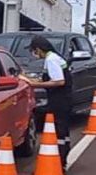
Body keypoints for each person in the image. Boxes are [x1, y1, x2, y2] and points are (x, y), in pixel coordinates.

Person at [18, 35, 72, 164]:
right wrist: (29, 78)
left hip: (60, 99)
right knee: (61, 129)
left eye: (33, 51)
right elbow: (48, 79)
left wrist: (34, 84)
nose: (34, 54)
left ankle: (60, 161)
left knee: (59, 129)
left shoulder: (51, 59)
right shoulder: (53, 58)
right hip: (61, 99)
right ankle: (61, 159)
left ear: (38, 49)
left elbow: (59, 81)